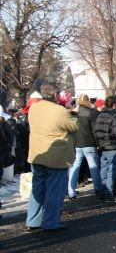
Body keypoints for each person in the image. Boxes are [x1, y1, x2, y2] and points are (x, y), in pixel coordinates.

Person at [25, 82, 78, 232]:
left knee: (37, 188)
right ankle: (51, 222)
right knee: (54, 190)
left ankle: (33, 221)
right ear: (55, 94)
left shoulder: (34, 108)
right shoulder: (59, 111)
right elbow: (74, 126)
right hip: (56, 156)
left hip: (37, 153)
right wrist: (73, 113)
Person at [68, 94, 101, 200]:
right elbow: (95, 129)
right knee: (93, 166)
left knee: (75, 167)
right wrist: (98, 143)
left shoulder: (73, 113)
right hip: (89, 143)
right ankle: (98, 189)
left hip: (76, 143)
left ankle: (71, 191)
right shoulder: (91, 113)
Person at [93, 96, 116, 202]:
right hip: (113, 146)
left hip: (102, 146)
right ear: (114, 104)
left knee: (103, 170)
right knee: (112, 172)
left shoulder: (100, 115)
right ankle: (109, 194)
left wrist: (99, 143)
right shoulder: (115, 116)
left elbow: (95, 131)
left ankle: (101, 192)